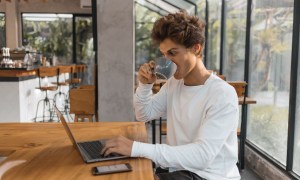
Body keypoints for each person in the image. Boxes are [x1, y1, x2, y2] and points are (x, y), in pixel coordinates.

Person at [101, 10, 240, 180]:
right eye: (164, 54)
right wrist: (145, 85)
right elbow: (144, 114)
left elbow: (202, 156)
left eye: (172, 53)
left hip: (209, 176)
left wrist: (135, 148)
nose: (166, 60)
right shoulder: (175, 83)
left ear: (196, 48)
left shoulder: (222, 94)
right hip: (178, 169)